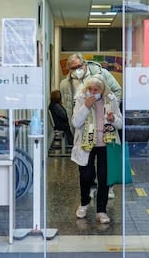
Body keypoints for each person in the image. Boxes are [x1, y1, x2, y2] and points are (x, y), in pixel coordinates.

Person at [60, 52, 122, 199]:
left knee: (105, 167)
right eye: (72, 68)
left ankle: (106, 190)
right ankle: (90, 191)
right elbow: (69, 108)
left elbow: (117, 90)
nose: (76, 70)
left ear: (85, 64)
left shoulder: (102, 74)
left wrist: (111, 109)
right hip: (83, 127)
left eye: (78, 66)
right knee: (86, 167)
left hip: (104, 126)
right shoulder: (66, 84)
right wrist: (73, 126)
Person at [70, 75, 122, 224]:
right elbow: (75, 122)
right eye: (90, 89)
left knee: (104, 178)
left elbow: (120, 123)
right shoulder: (81, 99)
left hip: (106, 144)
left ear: (103, 89)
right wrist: (86, 106)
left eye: (96, 89)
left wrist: (113, 119)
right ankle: (84, 203)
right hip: (86, 144)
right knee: (86, 175)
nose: (93, 92)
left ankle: (101, 210)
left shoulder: (110, 99)